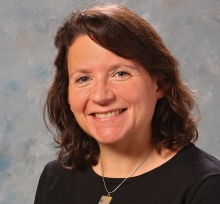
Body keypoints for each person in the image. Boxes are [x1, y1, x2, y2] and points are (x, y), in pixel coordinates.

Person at [34, 4, 220, 204]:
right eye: (83, 79)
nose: (100, 96)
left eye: (120, 73)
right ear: (67, 94)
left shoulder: (205, 186)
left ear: (159, 84)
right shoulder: (55, 178)